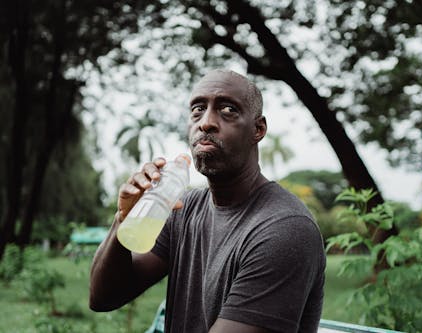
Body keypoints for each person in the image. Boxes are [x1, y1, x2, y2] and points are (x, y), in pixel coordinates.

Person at [89, 69, 326, 333]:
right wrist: (124, 219)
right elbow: (103, 297)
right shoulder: (184, 210)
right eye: (198, 109)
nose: (206, 122)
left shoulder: (284, 229)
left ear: (258, 129)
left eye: (227, 110)